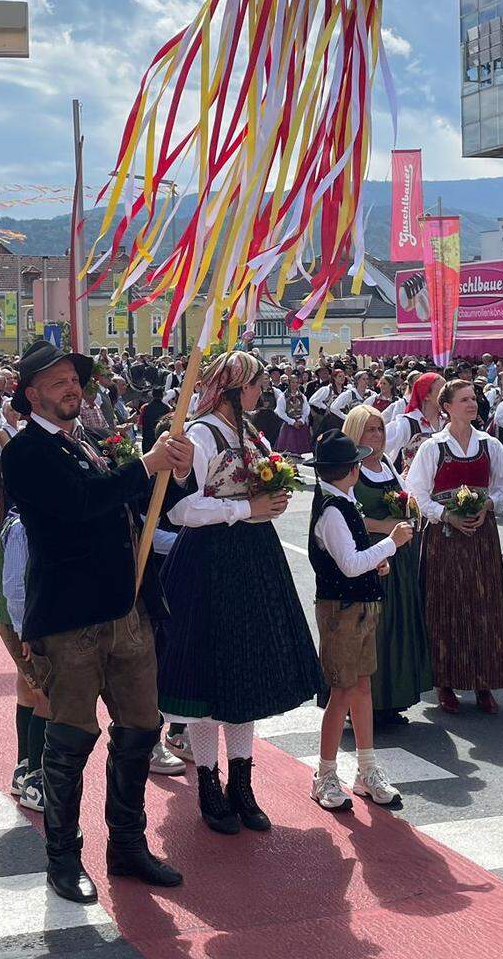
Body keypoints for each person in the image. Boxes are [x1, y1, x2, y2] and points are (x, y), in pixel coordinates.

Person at [0, 339, 190, 904]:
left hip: (122, 611)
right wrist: (145, 465)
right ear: (31, 394)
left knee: (139, 729)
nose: (71, 388)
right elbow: (82, 505)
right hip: (68, 621)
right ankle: (63, 857)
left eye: (74, 379)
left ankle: (127, 846)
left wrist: (164, 471)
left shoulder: (82, 443)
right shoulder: (26, 452)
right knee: (71, 739)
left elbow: (121, 504)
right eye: (57, 382)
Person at [160, 351, 324, 834]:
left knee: (245, 670)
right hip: (209, 563)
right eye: (254, 383)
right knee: (210, 675)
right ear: (233, 388)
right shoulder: (200, 434)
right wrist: (243, 509)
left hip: (251, 558)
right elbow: (180, 510)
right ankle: (209, 782)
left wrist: (272, 498)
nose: (261, 391)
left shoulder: (248, 432)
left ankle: (242, 784)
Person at [307, 429, 413, 811]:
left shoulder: (342, 502)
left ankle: (366, 769)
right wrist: (391, 543)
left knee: (361, 686)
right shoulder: (333, 510)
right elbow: (350, 565)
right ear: (351, 470)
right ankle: (325, 773)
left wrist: (376, 564)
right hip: (341, 611)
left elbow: (353, 560)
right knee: (342, 692)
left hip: (357, 607)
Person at [403, 378, 503, 715]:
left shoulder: (490, 444)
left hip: (481, 535)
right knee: (445, 606)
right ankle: (445, 683)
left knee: (484, 604)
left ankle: (484, 682)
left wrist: (487, 507)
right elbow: (415, 492)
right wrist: (445, 516)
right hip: (445, 538)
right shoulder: (433, 447)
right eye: (464, 399)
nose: (472, 404)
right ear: (446, 406)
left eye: (474, 398)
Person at [341, 405, 433, 727]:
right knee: (370, 631)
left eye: (379, 430)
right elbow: (346, 515)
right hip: (370, 555)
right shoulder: (350, 470)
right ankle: (361, 706)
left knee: (395, 626)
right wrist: (387, 527)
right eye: (369, 430)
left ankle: (390, 700)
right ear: (355, 433)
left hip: (397, 557)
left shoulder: (386, 467)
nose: (377, 436)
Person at [0, 508, 49, 813]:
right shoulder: (22, 526)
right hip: (23, 624)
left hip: (15, 622)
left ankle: (23, 768)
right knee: (46, 697)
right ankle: (36, 781)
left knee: (27, 691)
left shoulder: (14, 520)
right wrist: (23, 628)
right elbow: (15, 585)